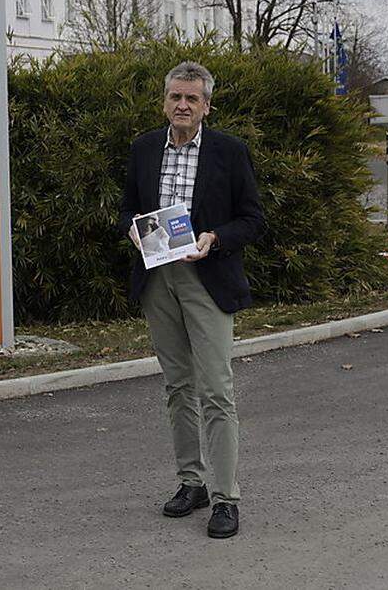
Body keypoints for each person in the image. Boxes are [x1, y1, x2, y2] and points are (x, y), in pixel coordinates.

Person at [119, 61, 264, 539]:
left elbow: (253, 219)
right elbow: (128, 208)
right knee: (178, 387)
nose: (183, 105)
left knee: (217, 391)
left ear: (206, 106)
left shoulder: (229, 151)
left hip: (207, 281)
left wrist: (214, 237)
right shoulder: (143, 149)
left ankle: (226, 497)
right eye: (176, 97)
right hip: (158, 282)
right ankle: (191, 482)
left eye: (192, 99)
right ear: (165, 102)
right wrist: (134, 233)